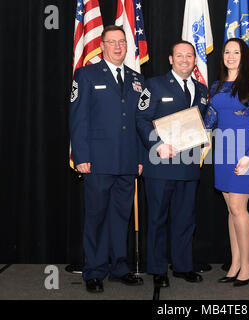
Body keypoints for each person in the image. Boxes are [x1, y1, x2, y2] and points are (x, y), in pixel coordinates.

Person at [69, 25, 145, 293]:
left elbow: (138, 121)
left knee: (120, 216)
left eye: (121, 42)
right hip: (98, 161)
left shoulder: (137, 79)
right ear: (101, 46)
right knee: (97, 217)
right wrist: (81, 156)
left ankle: (119, 267)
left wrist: (139, 157)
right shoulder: (87, 74)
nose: (117, 47)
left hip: (126, 161)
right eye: (111, 42)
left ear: (127, 46)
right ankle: (94, 270)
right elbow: (78, 119)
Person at [136, 40, 208, 288]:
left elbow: (203, 122)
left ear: (195, 60)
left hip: (188, 164)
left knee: (185, 219)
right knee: (157, 218)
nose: (185, 60)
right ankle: (157, 268)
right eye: (180, 55)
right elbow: (142, 119)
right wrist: (157, 144)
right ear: (170, 59)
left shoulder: (201, 89)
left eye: (189, 56)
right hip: (160, 164)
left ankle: (182, 266)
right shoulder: (153, 85)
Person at [204, 38, 249, 287]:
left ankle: (247, 264)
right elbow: (209, 121)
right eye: (227, 52)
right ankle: (235, 262)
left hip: (245, 151)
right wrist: (180, 132)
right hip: (222, 150)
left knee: (239, 209)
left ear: (245, 56)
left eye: (236, 52)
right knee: (231, 210)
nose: (231, 56)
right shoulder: (217, 86)